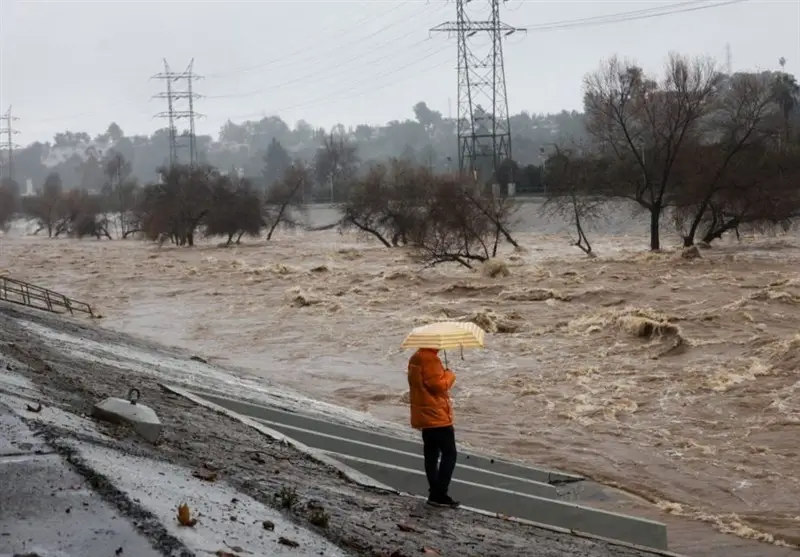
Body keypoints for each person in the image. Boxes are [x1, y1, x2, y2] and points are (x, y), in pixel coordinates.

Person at [407, 347, 460, 508]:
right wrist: (450, 375)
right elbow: (438, 385)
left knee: (431, 454)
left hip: (424, 414)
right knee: (449, 453)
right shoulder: (430, 359)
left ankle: (434, 492)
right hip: (436, 415)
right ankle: (439, 493)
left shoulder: (415, 357)